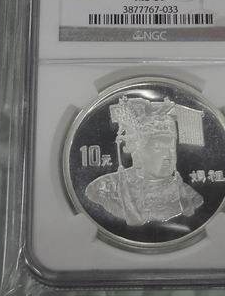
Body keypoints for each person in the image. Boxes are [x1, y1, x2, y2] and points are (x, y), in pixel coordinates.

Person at [85, 96, 204, 226]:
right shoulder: (105, 187)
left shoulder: (189, 195)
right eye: (157, 147)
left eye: (171, 147)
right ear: (137, 151)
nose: (168, 155)